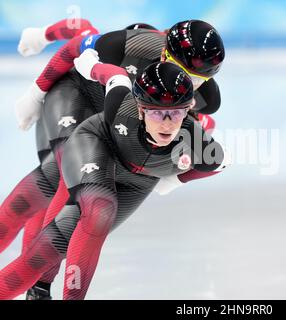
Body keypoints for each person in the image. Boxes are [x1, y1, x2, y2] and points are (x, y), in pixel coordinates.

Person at [0, 18, 225, 299]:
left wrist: (176, 174)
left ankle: (38, 279)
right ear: (164, 52)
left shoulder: (202, 97)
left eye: (200, 79)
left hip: (117, 131)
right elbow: (77, 35)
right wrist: (37, 89)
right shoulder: (131, 47)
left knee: (91, 214)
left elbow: (205, 139)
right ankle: (39, 283)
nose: (187, 83)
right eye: (183, 72)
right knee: (59, 176)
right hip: (77, 99)